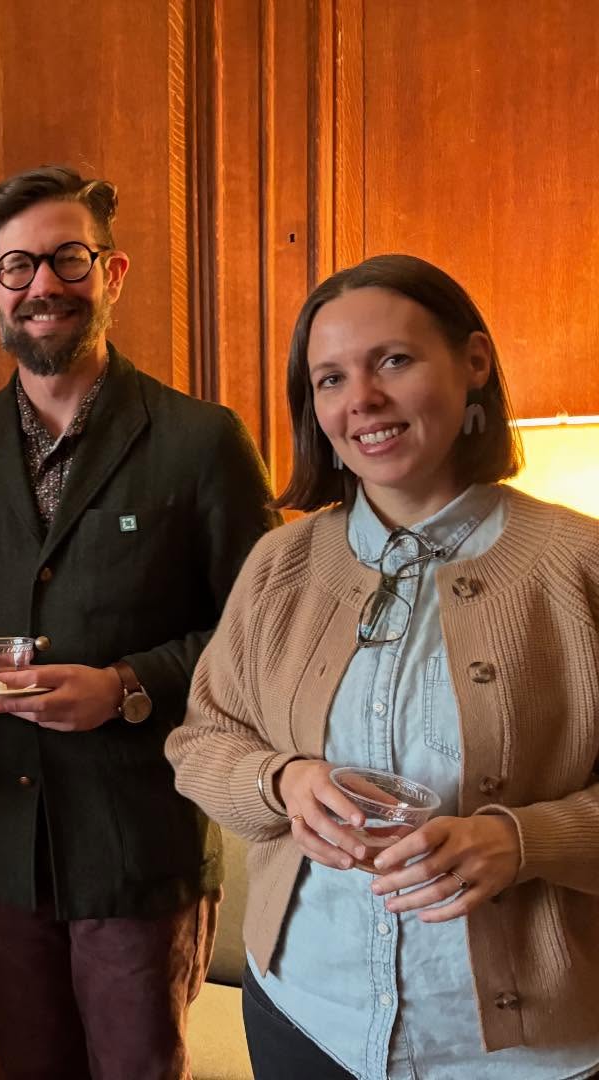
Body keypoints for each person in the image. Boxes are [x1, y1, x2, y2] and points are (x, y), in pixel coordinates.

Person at [166, 254, 599, 1079]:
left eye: (393, 361)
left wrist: (523, 841)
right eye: (330, 379)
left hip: (524, 1054)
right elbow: (202, 742)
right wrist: (283, 780)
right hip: (304, 1012)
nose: (360, 399)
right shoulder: (281, 564)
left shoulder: (581, 565)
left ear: (474, 362)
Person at [0, 164, 277, 1079]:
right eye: (18, 266)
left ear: (112, 273)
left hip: (136, 843)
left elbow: (261, 639)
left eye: (68, 258)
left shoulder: (203, 441)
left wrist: (125, 687)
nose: (44, 285)